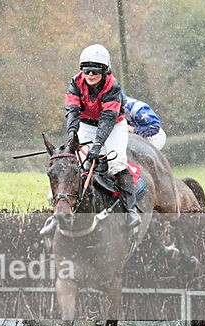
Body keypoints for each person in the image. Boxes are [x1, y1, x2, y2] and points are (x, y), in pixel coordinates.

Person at [65, 44, 140, 228]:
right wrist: (72, 134)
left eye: (95, 70)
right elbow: (72, 111)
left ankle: (131, 211)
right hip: (86, 125)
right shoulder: (75, 82)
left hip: (114, 125)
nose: (90, 75)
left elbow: (108, 118)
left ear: (105, 70)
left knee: (117, 163)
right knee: (77, 165)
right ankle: (61, 211)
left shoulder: (112, 85)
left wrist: (98, 145)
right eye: (86, 70)